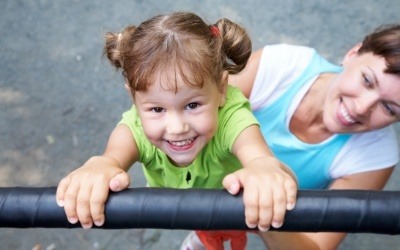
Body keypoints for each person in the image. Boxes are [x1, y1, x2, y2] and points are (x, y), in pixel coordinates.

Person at [55, 12, 298, 250]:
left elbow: (256, 154)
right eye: (157, 109)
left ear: (222, 89)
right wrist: (99, 167)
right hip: (195, 209)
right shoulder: (135, 128)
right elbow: (112, 157)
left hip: (233, 208)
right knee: (205, 231)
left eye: (192, 105)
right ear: (134, 98)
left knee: (249, 219)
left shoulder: (232, 118)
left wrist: (262, 168)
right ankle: (201, 237)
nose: (177, 128)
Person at [226, 24, 400, 249]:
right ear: (352, 54)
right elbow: (195, 113)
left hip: (262, 215)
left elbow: (316, 246)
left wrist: (265, 207)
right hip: (203, 175)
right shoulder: (281, 66)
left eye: (388, 108)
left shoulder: (376, 154)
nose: (360, 107)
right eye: (367, 80)